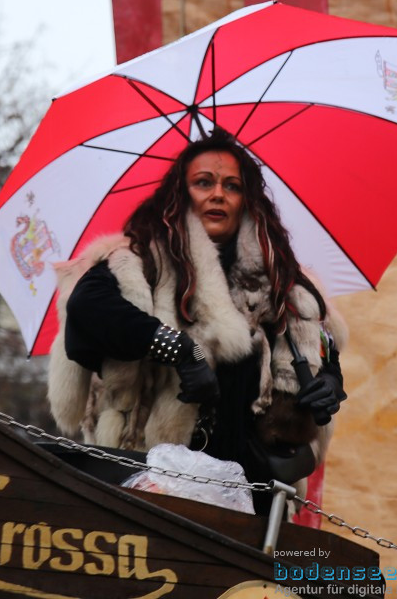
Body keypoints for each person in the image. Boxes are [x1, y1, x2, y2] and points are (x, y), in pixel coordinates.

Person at [47, 131, 348, 510]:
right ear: (180, 192)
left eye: (232, 186)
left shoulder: (283, 279)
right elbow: (88, 310)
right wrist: (182, 351)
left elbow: (326, 349)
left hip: (254, 493)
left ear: (246, 199)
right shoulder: (143, 260)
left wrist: (328, 386)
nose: (218, 194)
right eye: (203, 182)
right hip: (152, 483)